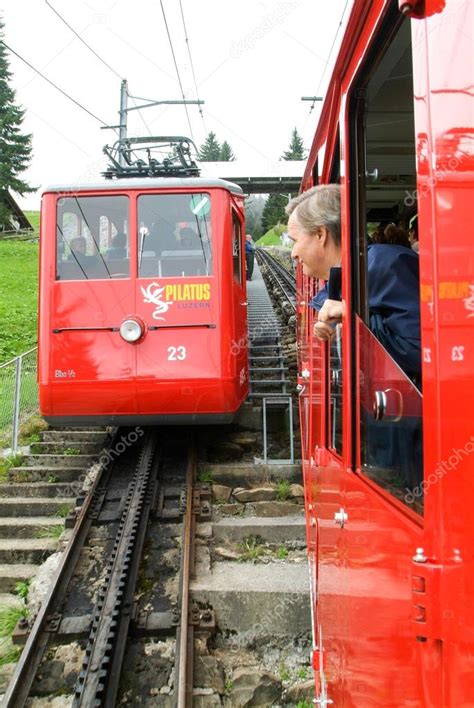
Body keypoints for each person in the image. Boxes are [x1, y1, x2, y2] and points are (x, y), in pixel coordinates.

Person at [286, 184, 421, 381]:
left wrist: (351, 317)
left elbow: (419, 350)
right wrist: (338, 329)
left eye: (294, 241)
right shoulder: (346, 276)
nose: (293, 253)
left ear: (321, 235)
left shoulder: (388, 265)